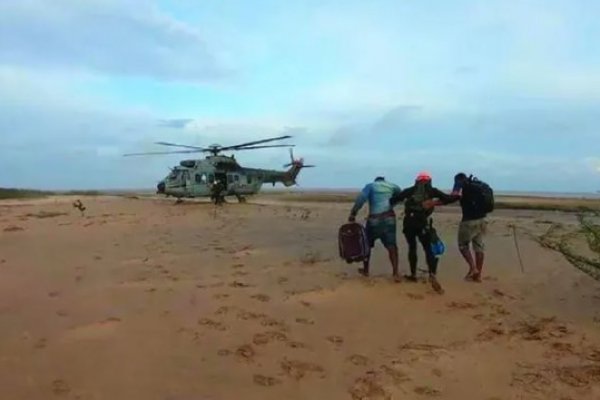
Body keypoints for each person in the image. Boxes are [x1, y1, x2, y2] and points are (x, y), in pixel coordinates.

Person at [390, 172, 456, 294]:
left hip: (409, 222)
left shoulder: (410, 190)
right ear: (429, 181)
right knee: (428, 248)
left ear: (417, 181)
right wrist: (438, 201)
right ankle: (432, 274)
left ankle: (413, 275)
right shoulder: (432, 191)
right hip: (422, 223)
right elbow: (448, 199)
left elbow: (394, 199)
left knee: (412, 247)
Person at [348, 176, 403, 282]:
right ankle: (395, 272)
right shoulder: (393, 186)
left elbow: (361, 199)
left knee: (367, 245)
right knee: (392, 246)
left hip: (374, 219)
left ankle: (366, 270)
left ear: (376, 180)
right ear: (384, 180)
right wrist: (392, 204)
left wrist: (353, 213)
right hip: (389, 219)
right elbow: (400, 196)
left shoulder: (371, 186)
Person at [451, 172, 491, 282]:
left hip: (468, 221)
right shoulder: (479, 186)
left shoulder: (461, 184)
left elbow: (454, 195)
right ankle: (478, 276)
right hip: (482, 220)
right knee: (479, 247)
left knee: (463, 246)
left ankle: (473, 268)